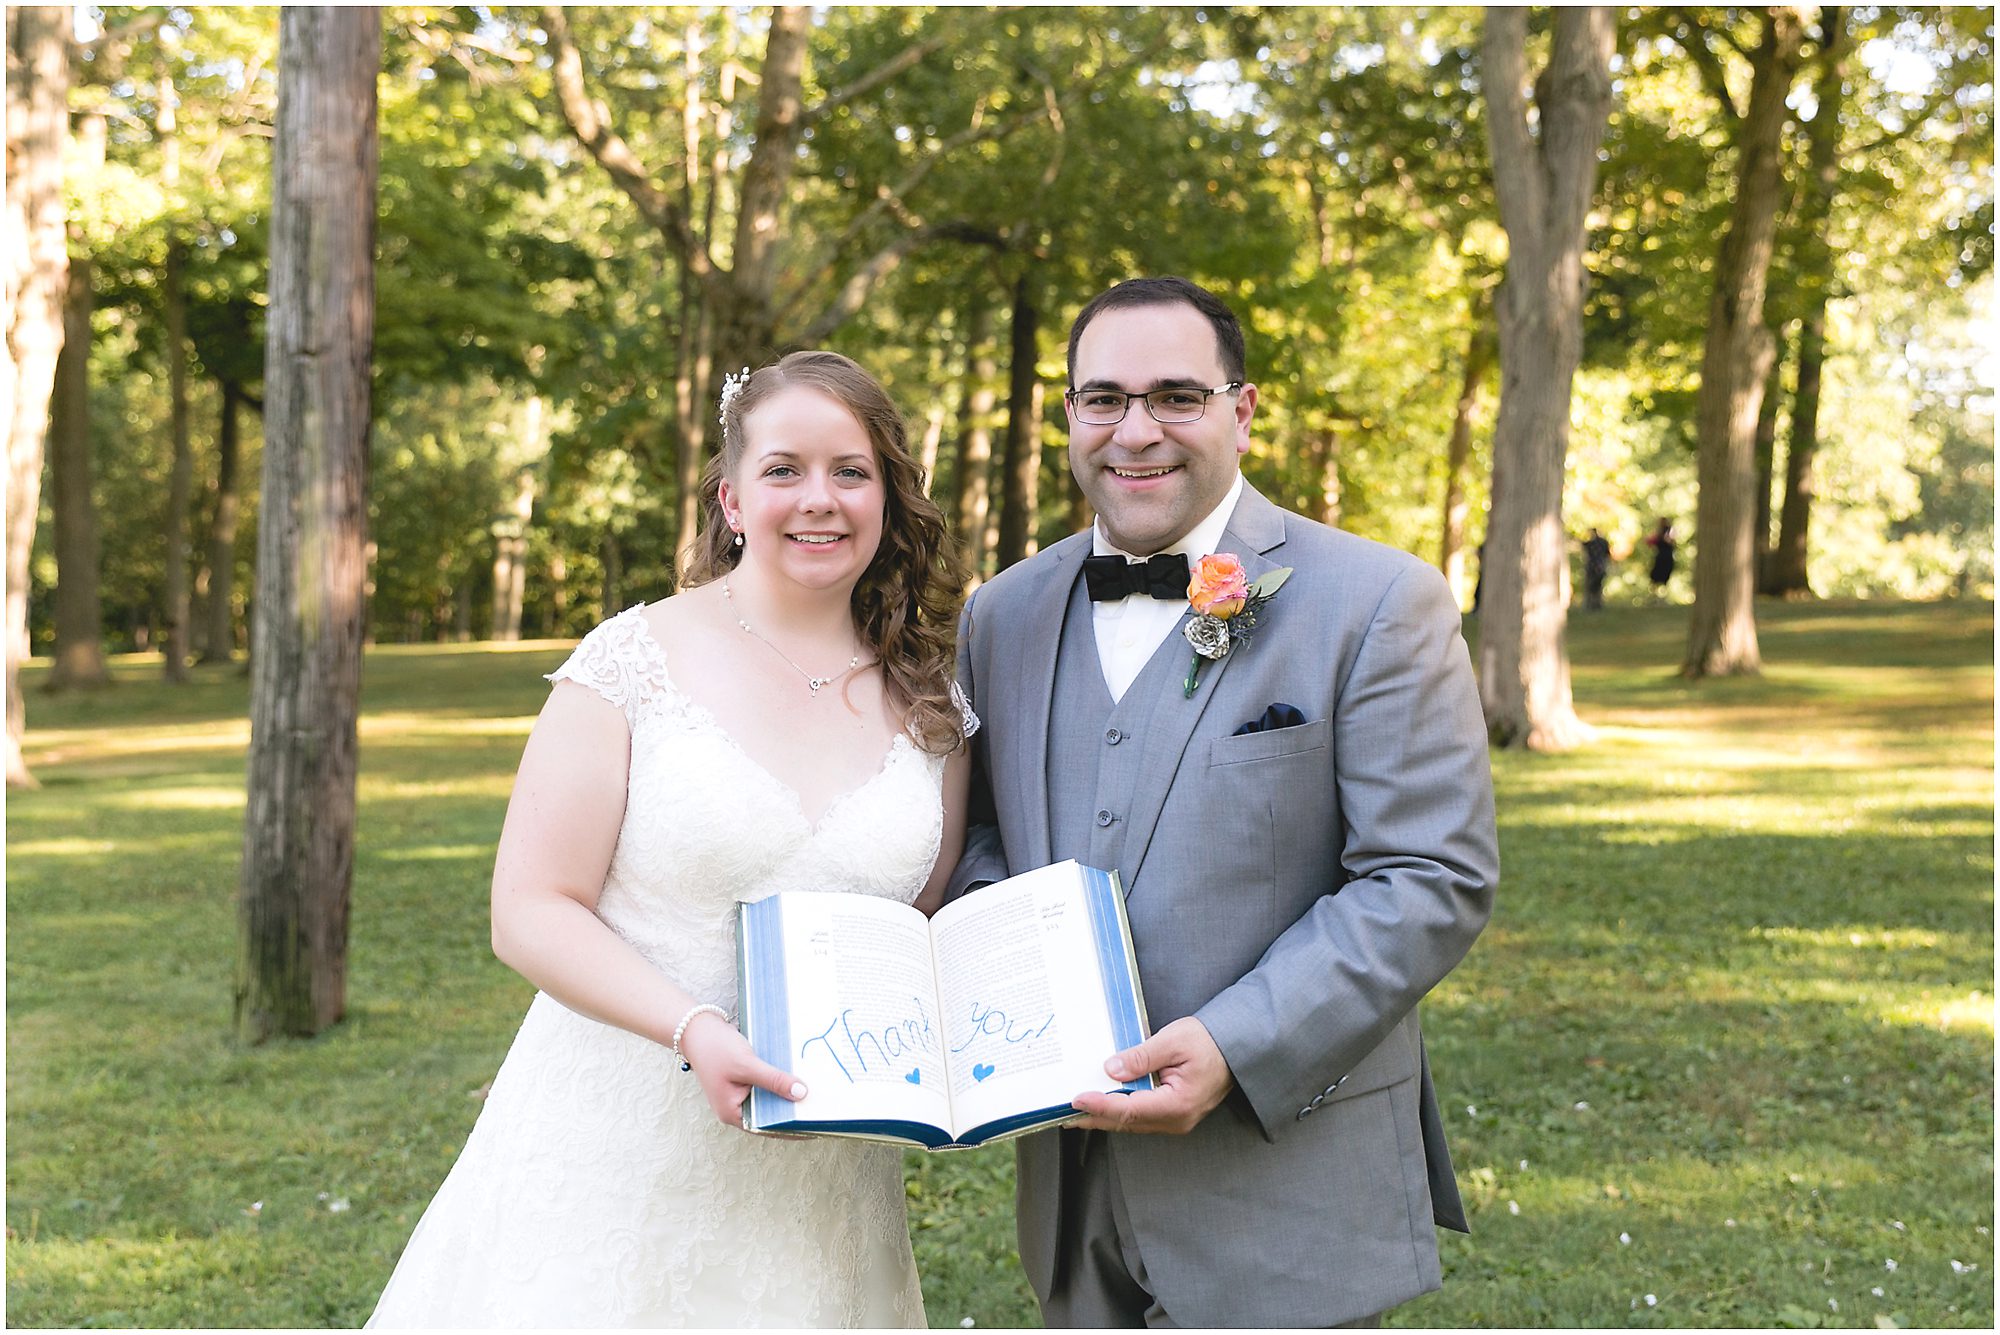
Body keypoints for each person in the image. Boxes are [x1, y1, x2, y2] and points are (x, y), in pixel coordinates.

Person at [368, 351, 973, 1328]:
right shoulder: (629, 660)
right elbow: (528, 909)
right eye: (784, 470)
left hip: (821, 1183)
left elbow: (920, 926)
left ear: (888, 499)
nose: (818, 499)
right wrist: (692, 1030)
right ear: (732, 500)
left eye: (849, 471)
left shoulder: (932, 704)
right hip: (619, 1144)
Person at [949, 277, 1498, 1328]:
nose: (1135, 431)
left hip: (1285, 1192)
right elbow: (975, 836)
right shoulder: (1002, 615)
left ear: (1240, 412)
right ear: (1067, 415)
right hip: (1072, 1200)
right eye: (1102, 398)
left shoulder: (1375, 602)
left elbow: (1429, 876)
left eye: (1176, 397)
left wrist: (1237, 1045)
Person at [1645, 517, 1676, 599]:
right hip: (1661, 557)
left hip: (1666, 557)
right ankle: (1654, 596)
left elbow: (1671, 541)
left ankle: (1663, 597)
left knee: (1664, 576)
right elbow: (1650, 542)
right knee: (1655, 576)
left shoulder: (1670, 531)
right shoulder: (1659, 533)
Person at [1582, 527, 1612, 611]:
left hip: (1594, 566)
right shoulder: (1602, 543)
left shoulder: (1593, 543)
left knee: (1593, 586)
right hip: (1598, 566)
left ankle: (1593, 604)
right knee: (1595, 586)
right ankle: (1594, 604)